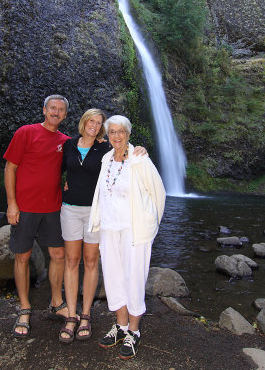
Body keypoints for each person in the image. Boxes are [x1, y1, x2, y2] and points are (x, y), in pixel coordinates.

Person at [59, 109, 147, 343]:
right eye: (92, 121)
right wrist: (63, 185)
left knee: (91, 261)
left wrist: (141, 149)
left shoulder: (105, 149)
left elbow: (125, 151)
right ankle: (71, 315)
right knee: (72, 261)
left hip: (97, 213)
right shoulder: (68, 145)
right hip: (72, 209)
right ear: (84, 122)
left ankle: (86, 315)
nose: (95, 126)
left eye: (99, 123)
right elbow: (55, 170)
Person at [88, 115, 166, 360]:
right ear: (108, 135)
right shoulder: (106, 158)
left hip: (134, 232)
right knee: (113, 278)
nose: (117, 136)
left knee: (134, 278)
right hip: (110, 229)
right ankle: (120, 326)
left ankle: (134, 331)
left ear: (129, 134)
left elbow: (158, 193)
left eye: (121, 131)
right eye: (112, 132)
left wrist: (150, 226)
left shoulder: (140, 159)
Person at [3, 94, 70, 338]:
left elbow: (83, 159)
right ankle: (24, 307)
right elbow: (10, 167)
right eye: (52, 108)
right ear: (44, 110)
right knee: (23, 256)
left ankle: (56, 301)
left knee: (58, 254)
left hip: (53, 208)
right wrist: (12, 203)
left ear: (64, 115)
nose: (56, 112)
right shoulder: (25, 132)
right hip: (25, 207)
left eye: (61, 110)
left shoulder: (66, 141)